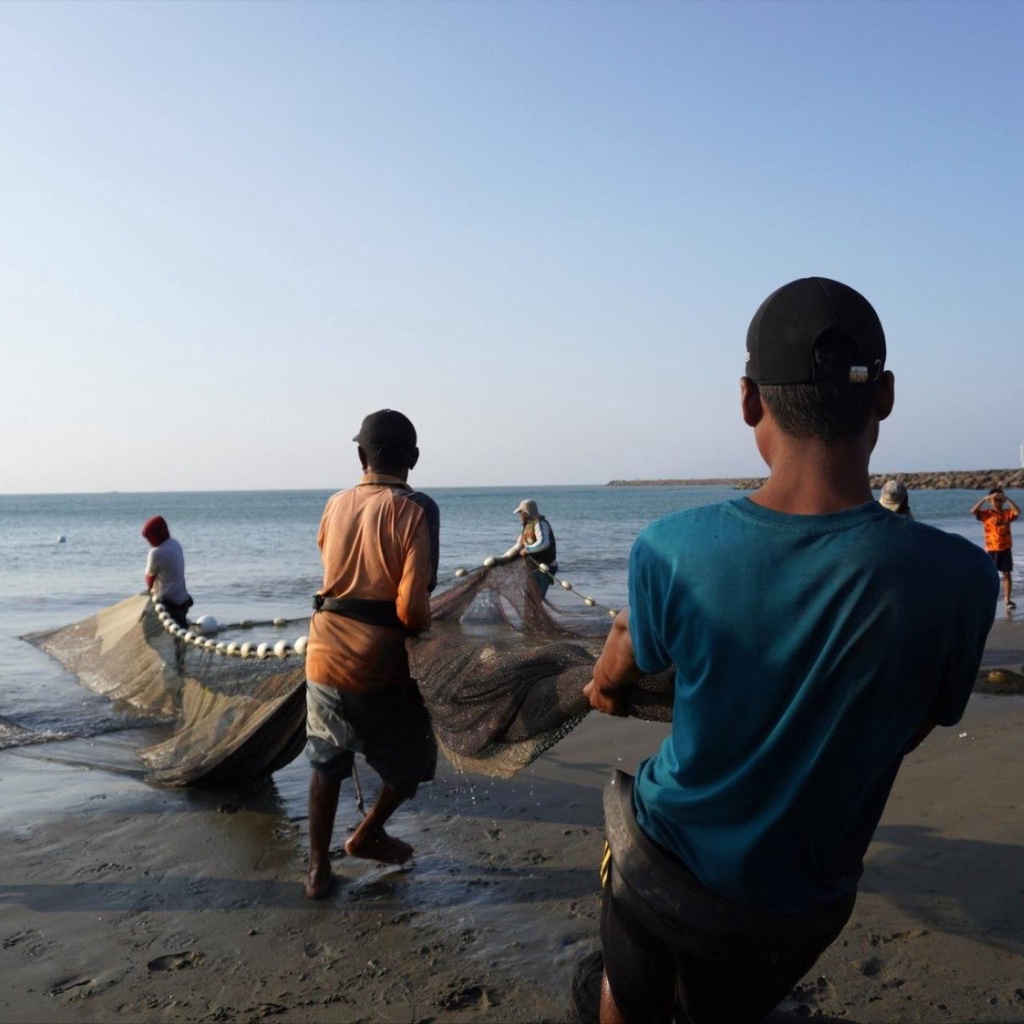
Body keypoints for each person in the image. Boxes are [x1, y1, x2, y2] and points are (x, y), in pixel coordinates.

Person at [583, 277, 998, 1024]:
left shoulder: (670, 549)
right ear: (885, 397)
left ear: (748, 400)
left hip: (666, 863)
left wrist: (607, 688)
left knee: (628, 982)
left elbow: (626, 646)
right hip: (802, 905)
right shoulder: (963, 580)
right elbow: (912, 724)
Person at [303, 409, 440, 900]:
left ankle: (317, 869)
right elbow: (411, 607)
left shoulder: (334, 504)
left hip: (322, 652)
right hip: (376, 664)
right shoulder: (417, 508)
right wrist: (425, 636)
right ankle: (367, 834)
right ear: (414, 459)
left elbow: (334, 569)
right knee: (415, 756)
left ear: (362, 456)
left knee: (325, 760)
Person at [971, 486, 1020, 610]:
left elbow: (1018, 512)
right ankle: (987, 599)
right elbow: (973, 511)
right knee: (990, 575)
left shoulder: (1007, 513)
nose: (998, 502)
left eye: (1000, 500)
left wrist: (1006, 498)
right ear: (990, 501)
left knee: (1007, 574)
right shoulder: (987, 514)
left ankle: (1007, 600)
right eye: (995, 500)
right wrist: (985, 498)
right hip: (992, 548)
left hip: (1005, 548)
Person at [499, 498, 559, 597]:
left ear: (526, 513)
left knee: (536, 597)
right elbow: (518, 546)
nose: (519, 515)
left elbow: (544, 543)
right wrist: (502, 558)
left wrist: (527, 550)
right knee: (529, 596)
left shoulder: (540, 523)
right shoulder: (527, 526)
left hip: (545, 568)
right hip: (533, 567)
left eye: (520, 512)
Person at [141, 515, 192, 628]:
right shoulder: (175, 544)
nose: (148, 542)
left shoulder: (156, 553)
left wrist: (149, 590)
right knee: (182, 626)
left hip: (168, 601)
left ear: (157, 535)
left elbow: (150, 577)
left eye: (149, 538)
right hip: (182, 598)